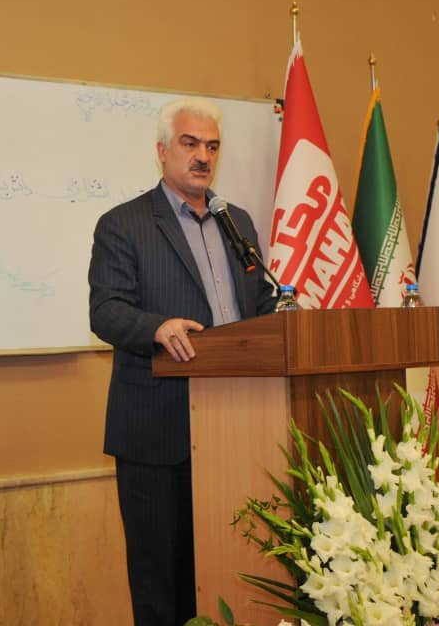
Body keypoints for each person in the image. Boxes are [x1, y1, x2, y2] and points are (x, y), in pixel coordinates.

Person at [88, 97, 276, 625]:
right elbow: (106, 310)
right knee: (161, 584)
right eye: (190, 144)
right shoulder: (124, 224)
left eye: (212, 146)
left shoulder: (236, 222)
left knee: (225, 573)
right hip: (158, 431)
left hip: (236, 430)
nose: (203, 156)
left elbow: (260, 305)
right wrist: (157, 327)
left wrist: (290, 320)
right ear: (162, 151)